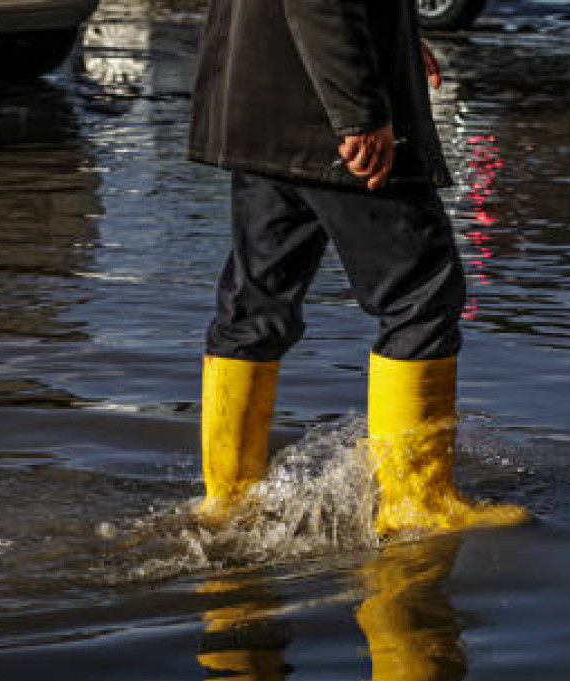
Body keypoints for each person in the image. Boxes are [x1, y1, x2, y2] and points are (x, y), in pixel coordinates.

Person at [187, 0, 528, 537]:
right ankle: (419, 504)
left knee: (257, 305)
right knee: (422, 296)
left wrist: (390, 42)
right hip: (325, 118)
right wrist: (359, 109)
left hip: (266, 101)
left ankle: (229, 499)